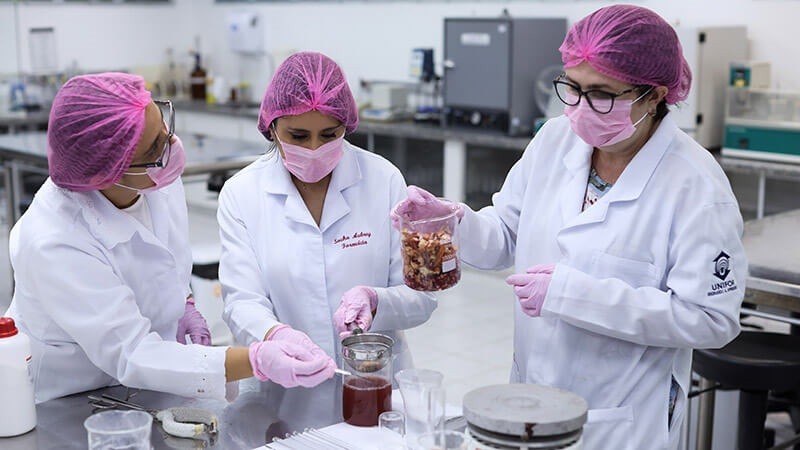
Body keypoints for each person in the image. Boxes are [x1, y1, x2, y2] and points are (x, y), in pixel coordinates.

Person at [392, 5, 746, 449]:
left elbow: (711, 319)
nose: (579, 107)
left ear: (654, 95)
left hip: (621, 419)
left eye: (601, 94)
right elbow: (505, 233)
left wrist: (573, 296)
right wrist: (452, 224)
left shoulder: (695, 185)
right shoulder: (555, 139)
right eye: (572, 87)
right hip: (527, 398)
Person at [4, 72, 335, 404]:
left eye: (165, 126)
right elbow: (132, 352)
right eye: (155, 147)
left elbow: (164, 255)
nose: (171, 145)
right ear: (107, 174)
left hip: (145, 385)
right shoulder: (52, 241)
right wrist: (255, 360)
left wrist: (184, 300)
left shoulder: (154, 177)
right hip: (65, 398)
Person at [217, 51, 437, 425]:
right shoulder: (242, 194)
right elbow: (241, 301)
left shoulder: (383, 181)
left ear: (346, 126)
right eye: (298, 136)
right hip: (283, 397)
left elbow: (422, 294)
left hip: (376, 386)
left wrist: (376, 301)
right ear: (271, 127)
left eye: (329, 135)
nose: (315, 150)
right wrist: (276, 335)